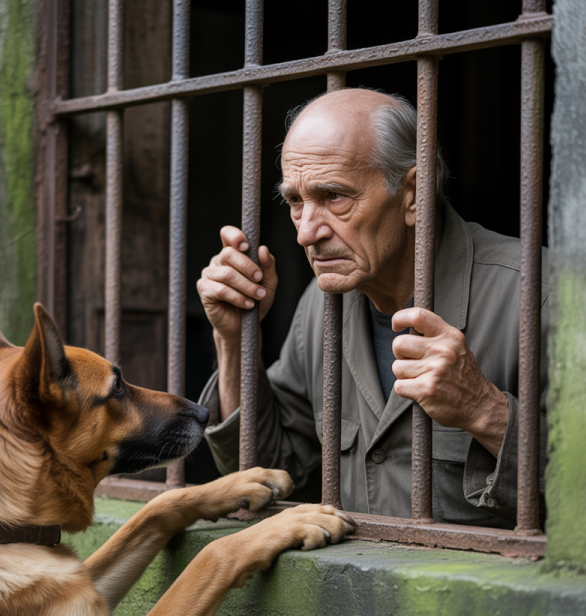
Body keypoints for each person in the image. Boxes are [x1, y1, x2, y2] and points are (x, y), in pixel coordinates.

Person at [195, 88, 548, 526]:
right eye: (295, 201)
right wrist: (234, 339)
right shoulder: (322, 304)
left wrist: (484, 410)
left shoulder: (539, 295)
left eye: (334, 196)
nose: (306, 233)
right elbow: (260, 474)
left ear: (413, 193)